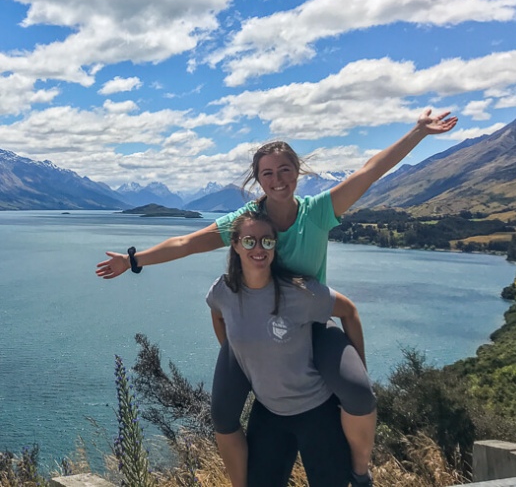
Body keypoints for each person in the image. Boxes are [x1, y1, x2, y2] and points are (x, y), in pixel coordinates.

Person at [96, 109, 458, 485]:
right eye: (267, 173)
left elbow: (369, 171)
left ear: (297, 172)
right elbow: (186, 243)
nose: (277, 179)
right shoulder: (247, 222)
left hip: (311, 322)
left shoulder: (319, 212)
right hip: (254, 326)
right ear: (258, 179)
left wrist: (418, 132)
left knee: (357, 392)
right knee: (223, 415)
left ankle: (360, 471)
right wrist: (134, 260)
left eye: (285, 170)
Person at [207, 210, 371, 486]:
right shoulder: (223, 291)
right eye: (249, 241)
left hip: (318, 414)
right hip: (269, 415)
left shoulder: (302, 293)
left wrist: (359, 368)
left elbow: (349, 311)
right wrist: (237, 354)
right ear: (235, 245)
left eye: (267, 241)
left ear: (275, 246)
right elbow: (217, 312)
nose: (258, 248)